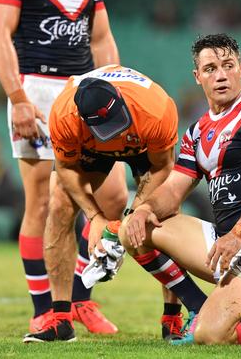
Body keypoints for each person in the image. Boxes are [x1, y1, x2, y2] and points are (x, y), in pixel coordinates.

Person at [121, 33, 241, 346]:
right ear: (197, 76)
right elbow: (174, 189)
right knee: (133, 227)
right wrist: (143, 209)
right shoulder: (197, 131)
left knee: (212, 336)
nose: (221, 74)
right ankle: (199, 308)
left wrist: (238, 233)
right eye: (211, 68)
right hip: (222, 245)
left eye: (228, 65)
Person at [0, 0, 125, 334]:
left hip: (83, 90)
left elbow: (101, 38)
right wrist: (17, 98)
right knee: (41, 203)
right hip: (35, 88)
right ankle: (44, 310)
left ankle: (80, 298)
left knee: (112, 199)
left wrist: (115, 88)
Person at [22, 65, 186, 342]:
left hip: (144, 144)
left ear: (120, 100)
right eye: (106, 128)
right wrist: (95, 217)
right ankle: (61, 319)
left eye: (115, 121)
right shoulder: (64, 115)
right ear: (81, 118)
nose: (114, 134)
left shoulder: (156, 109)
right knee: (59, 203)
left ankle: (172, 318)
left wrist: (137, 213)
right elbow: (65, 169)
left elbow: (162, 168)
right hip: (90, 147)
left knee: (165, 213)